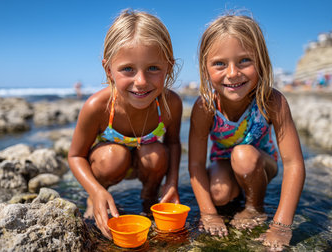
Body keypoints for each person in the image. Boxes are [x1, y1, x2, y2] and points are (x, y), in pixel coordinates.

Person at [188, 13, 305, 250]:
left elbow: (293, 164)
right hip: (223, 162)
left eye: (244, 61)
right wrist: (209, 214)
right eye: (220, 63)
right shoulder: (205, 107)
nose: (232, 73)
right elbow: (196, 165)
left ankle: (255, 206)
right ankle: (236, 198)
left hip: (259, 164)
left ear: (261, 61)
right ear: (205, 67)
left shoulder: (271, 101)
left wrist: (281, 226)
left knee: (243, 155)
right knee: (218, 195)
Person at [67, 9, 182, 239]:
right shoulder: (98, 107)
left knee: (157, 155)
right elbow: (75, 156)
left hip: (146, 163)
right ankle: (97, 199)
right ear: (108, 69)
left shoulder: (170, 104)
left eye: (153, 68)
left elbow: (173, 144)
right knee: (113, 158)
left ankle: (149, 198)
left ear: (168, 67)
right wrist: (95, 190)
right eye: (128, 69)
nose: (141, 81)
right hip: (109, 165)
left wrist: (172, 183)